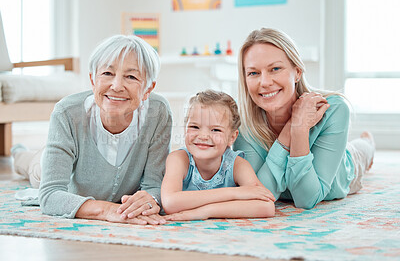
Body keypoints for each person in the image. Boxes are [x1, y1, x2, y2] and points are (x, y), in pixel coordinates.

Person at [12, 34, 172, 225]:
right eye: (107, 74)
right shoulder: (67, 112)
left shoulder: (158, 112)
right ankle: (19, 153)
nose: (117, 86)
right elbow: (50, 195)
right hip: (54, 171)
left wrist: (149, 200)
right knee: (35, 166)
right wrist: (107, 210)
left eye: (131, 76)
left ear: (148, 89)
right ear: (92, 79)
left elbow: (154, 185)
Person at [233, 28, 375, 209]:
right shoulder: (241, 116)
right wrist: (293, 127)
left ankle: (368, 141)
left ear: (297, 72)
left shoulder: (333, 108)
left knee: (361, 151)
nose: (265, 82)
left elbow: (307, 199)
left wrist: (300, 132)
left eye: (275, 69)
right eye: (253, 73)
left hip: (342, 170)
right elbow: (259, 194)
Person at [161, 90, 275, 221]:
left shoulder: (237, 164)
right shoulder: (179, 159)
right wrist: (235, 193)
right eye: (194, 127)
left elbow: (266, 206)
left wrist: (206, 211)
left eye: (215, 130)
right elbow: (170, 203)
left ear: (232, 137)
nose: (203, 136)